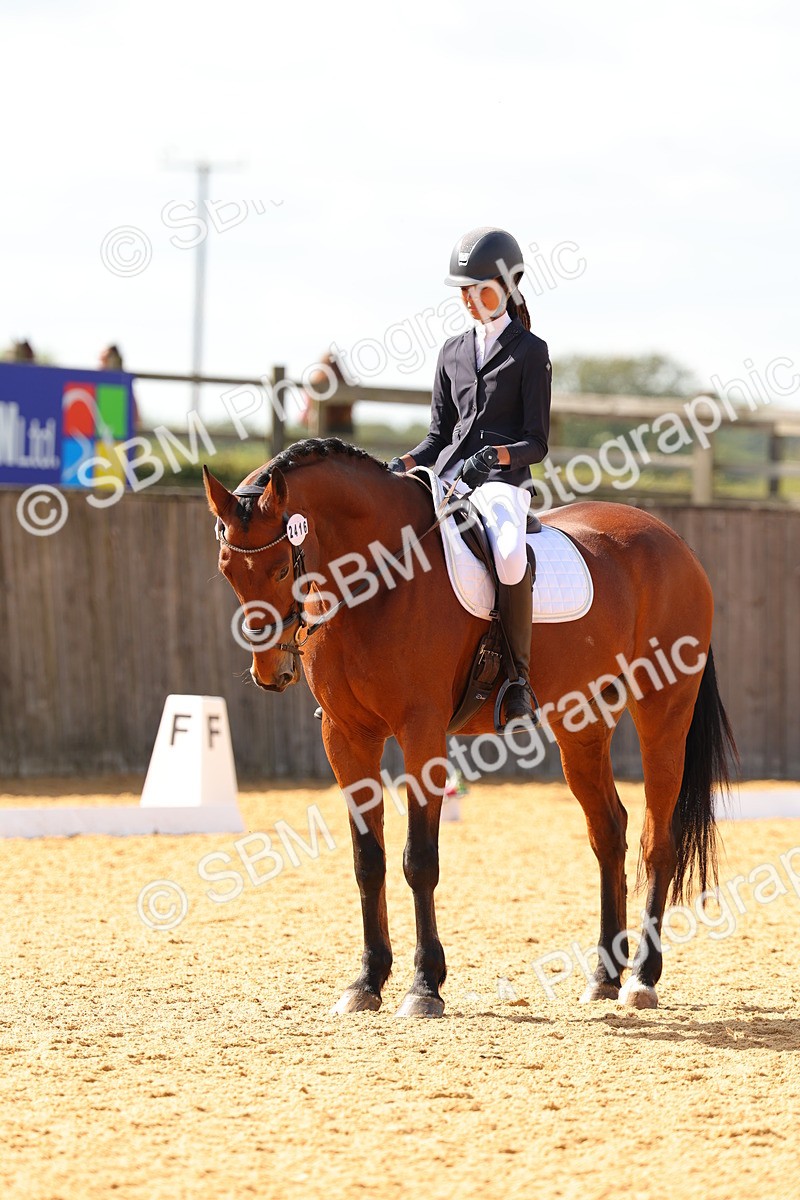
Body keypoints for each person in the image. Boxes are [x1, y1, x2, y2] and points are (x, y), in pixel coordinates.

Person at [389, 226, 551, 728]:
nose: (468, 298)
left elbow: (537, 441)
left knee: (507, 557)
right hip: (447, 478)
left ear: (507, 287)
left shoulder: (530, 352)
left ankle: (518, 681)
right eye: (462, 289)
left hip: (502, 486)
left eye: (477, 288)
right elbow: (437, 435)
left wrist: (496, 456)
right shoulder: (451, 351)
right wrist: (403, 465)